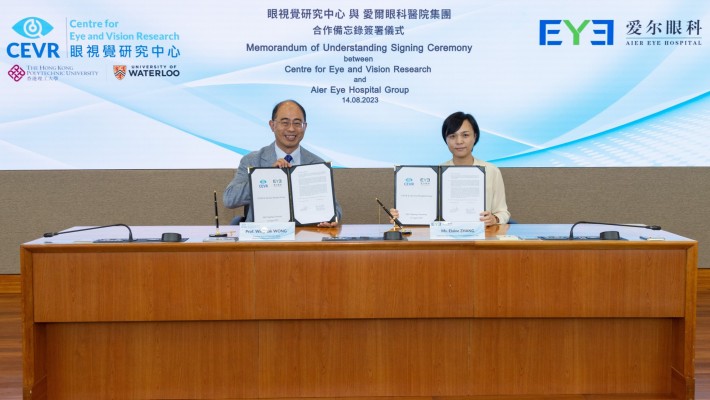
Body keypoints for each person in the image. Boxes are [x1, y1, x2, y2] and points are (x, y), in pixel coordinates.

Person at [223, 99, 342, 227]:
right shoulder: (252, 160)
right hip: (263, 238)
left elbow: (335, 209)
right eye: (285, 122)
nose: (291, 129)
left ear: (305, 127)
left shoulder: (317, 164)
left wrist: (331, 219)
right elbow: (230, 199)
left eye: (297, 123)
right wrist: (267, 177)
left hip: (305, 237)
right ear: (272, 125)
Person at [391, 111, 511, 226]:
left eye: (465, 135)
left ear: (474, 137)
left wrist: (494, 219)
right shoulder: (435, 173)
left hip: (481, 237)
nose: (459, 141)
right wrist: (401, 216)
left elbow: (503, 212)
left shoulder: (491, 170)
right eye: (452, 136)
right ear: (446, 140)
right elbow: (422, 211)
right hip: (444, 239)